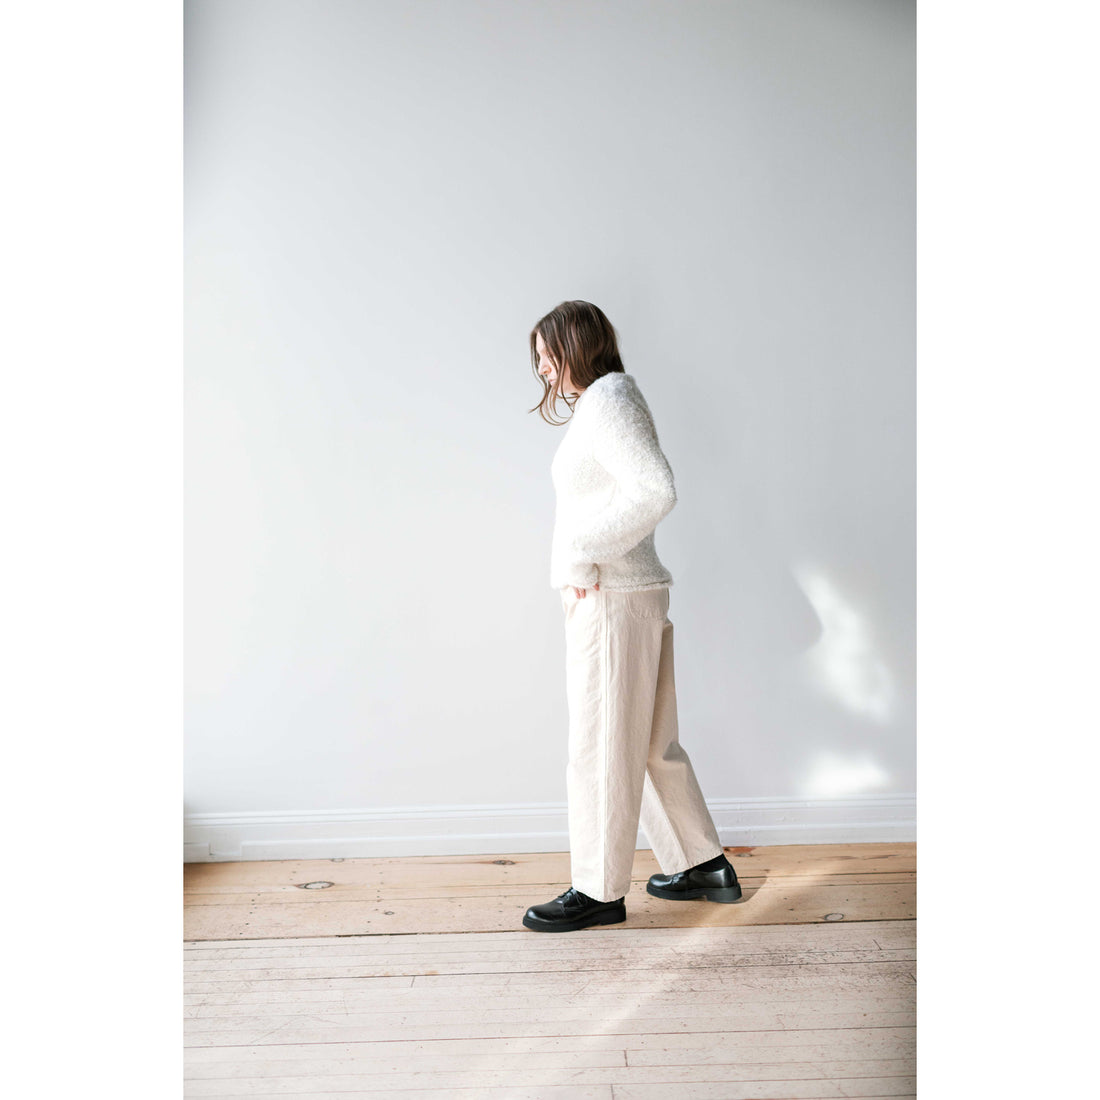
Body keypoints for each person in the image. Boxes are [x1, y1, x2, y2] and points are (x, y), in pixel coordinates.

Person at [522, 300, 743, 934]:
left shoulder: (608, 401)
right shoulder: (609, 399)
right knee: (649, 744)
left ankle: (597, 890)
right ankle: (702, 865)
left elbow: (655, 489)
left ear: (576, 344)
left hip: (613, 601)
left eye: (547, 355)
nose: (543, 369)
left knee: (599, 748)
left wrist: (581, 552)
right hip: (629, 594)